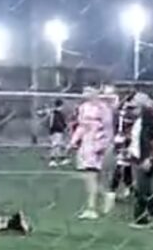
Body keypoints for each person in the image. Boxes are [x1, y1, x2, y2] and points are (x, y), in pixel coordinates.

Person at [70, 86, 114, 220]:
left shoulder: (103, 108)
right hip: (85, 144)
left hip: (96, 145)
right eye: (85, 91)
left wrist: (104, 145)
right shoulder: (83, 107)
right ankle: (105, 195)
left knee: (91, 176)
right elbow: (81, 126)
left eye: (89, 91)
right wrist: (73, 141)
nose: (86, 94)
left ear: (96, 93)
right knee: (88, 177)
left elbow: (108, 129)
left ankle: (91, 208)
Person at [130, 93, 153, 228]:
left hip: (147, 158)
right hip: (138, 156)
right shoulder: (141, 119)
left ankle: (141, 219)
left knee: (142, 188)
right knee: (144, 188)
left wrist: (150, 158)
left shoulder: (150, 118)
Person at [104, 94, 142, 212]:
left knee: (126, 167)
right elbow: (129, 128)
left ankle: (130, 190)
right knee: (122, 165)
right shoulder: (130, 113)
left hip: (119, 139)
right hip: (126, 140)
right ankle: (112, 192)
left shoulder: (119, 111)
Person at [48, 99, 69, 167]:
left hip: (54, 131)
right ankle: (53, 160)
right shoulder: (57, 113)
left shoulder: (54, 112)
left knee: (57, 145)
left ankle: (61, 159)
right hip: (56, 131)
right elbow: (57, 123)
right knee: (56, 145)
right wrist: (64, 127)